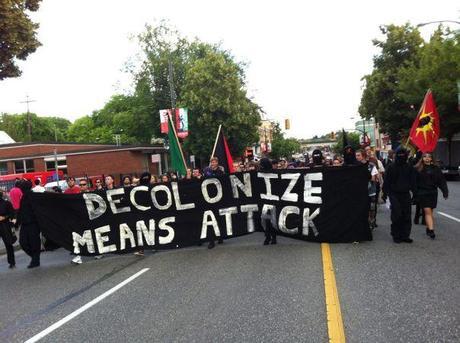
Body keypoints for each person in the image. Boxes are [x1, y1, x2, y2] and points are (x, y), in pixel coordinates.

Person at [383, 147, 417, 243]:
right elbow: (387, 181)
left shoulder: (409, 167)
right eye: (399, 155)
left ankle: (405, 235)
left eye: (403, 155)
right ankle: (396, 235)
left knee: (406, 215)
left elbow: (413, 181)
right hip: (394, 194)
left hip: (405, 194)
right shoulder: (391, 167)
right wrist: (385, 194)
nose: (401, 157)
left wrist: (415, 194)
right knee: (397, 214)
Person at [414, 153, 448, 239]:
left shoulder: (436, 169)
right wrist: (415, 193)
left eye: (429, 157)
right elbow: (414, 182)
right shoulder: (418, 168)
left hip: (433, 192)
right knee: (427, 211)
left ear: (432, 158)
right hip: (422, 193)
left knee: (430, 211)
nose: (427, 158)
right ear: (422, 158)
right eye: (425, 157)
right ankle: (432, 230)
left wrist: (445, 192)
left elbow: (442, 181)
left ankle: (428, 228)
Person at [18, 180, 42, 268]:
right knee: (23, 242)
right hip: (24, 224)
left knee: (34, 242)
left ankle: (36, 260)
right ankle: (35, 257)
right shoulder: (23, 197)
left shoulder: (33, 196)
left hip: (33, 224)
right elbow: (21, 210)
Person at [203, 157, 225, 248]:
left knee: (219, 217)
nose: (213, 163)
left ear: (217, 163)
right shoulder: (206, 171)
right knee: (210, 218)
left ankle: (220, 236)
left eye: (214, 162)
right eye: (211, 162)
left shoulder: (220, 171)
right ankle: (211, 240)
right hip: (208, 197)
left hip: (218, 197)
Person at [356, 149, 379, 230]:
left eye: (358, 155)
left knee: (371, 209)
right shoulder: (355, 166)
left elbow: (373, 178)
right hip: (360, 192)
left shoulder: (371, 165)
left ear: (363, 156)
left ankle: (371, 223)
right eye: (356, 155)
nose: (357, 157)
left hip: (370, 191)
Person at [259, 158, 277, 245]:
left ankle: (273, 237)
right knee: (265, 219)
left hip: (272, 200)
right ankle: (268, 236)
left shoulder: (274, 173)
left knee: (272, 219)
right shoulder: (259, 174)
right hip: (264, 200)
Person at [0, 188, 15, 268]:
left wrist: (4, 217)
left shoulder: (6, 203)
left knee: (8, 244)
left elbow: (12, 214)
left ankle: (11, 262)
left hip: (4, 226)